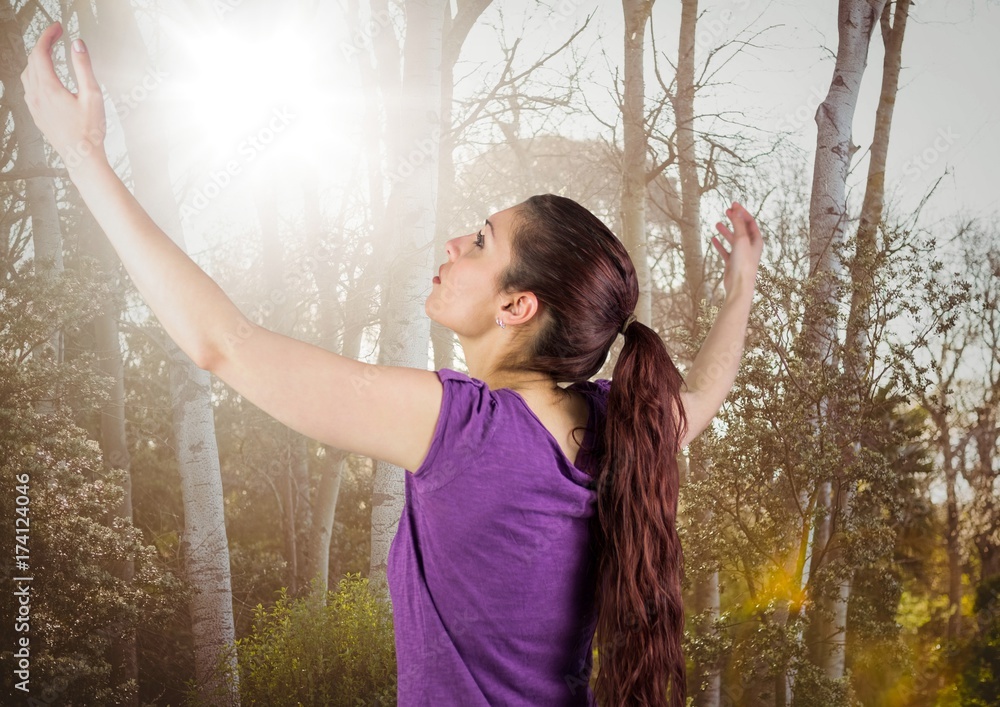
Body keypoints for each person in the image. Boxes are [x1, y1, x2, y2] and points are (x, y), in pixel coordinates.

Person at [21, 22, 763, 707]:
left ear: (517, 307)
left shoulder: (462, 427)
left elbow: (225, 344)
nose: (452, 244)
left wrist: (82, 154)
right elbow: (704, 392)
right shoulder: (619, 423)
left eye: (480, 241)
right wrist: (741, 291)